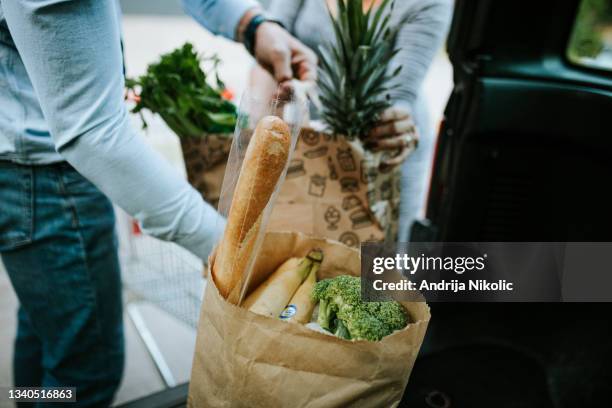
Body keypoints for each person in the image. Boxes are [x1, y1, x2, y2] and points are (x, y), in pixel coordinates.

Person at [0, 0, 316, 405]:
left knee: (45, 330)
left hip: (30, 165)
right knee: (85, 372)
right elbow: (94, 133)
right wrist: (226, 246)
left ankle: (27, 398)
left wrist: (252, 25)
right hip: (45, 180)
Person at [250, 0, 453, 242]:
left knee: (376, 268)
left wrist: (394, 124)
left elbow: (400, 94)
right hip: (302, 136)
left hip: (381, 152)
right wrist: (259, 135)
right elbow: (273, 42)